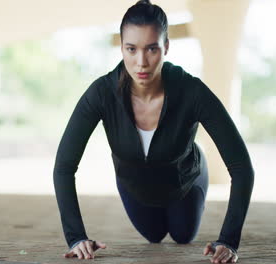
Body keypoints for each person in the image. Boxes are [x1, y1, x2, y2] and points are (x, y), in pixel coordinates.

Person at [52, 0, 254, 263]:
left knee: (182, 235)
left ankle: (196, 158)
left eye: (152, 49)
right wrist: (76, 237)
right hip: (134, 185)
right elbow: (64, 167)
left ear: (166, 47)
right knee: (155, 235)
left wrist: (228, 240)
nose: (141, 62)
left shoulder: (192, 92)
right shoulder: (101, 93)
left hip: (184, 182)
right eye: (131, 49)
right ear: (122, 47)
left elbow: (241, 167)